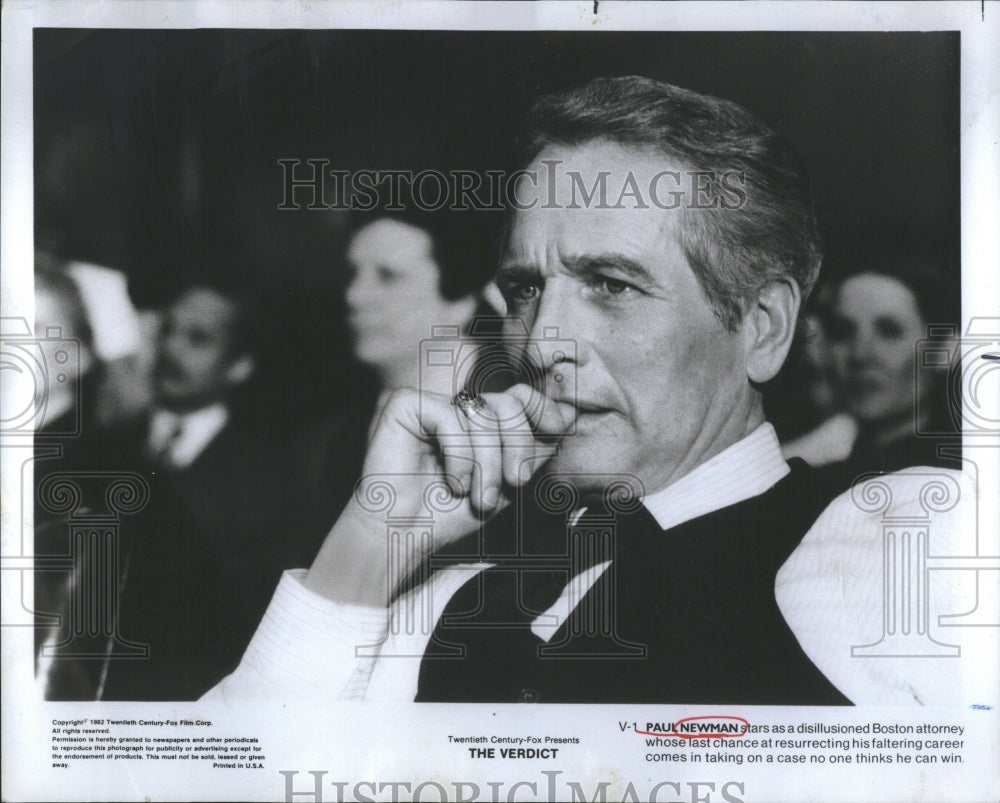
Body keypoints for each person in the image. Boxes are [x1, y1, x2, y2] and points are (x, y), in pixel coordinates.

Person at [206, 77, 980, 706]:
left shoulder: (893, 544)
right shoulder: (447, 602)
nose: (541, 344)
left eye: (610, 284)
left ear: (764, 328)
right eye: (523, 289)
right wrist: (375, 543)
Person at [815, 247, 960, 497]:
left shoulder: (957, 477)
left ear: (943, 350)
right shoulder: (819, 479)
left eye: (889, 331)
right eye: (843, 331)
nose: (860, 354)